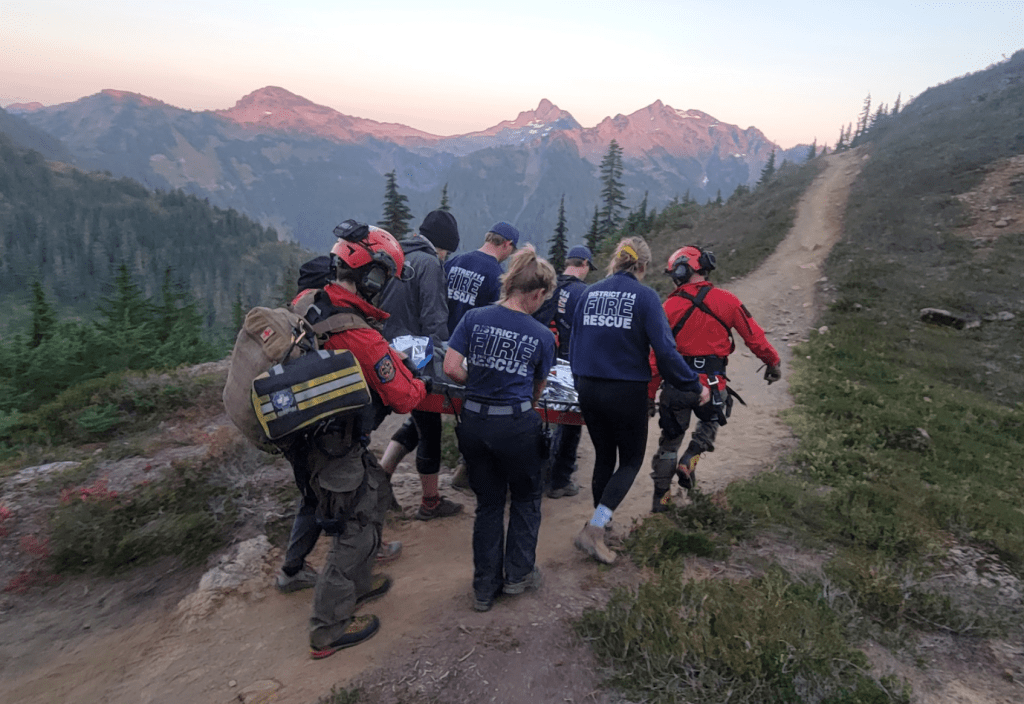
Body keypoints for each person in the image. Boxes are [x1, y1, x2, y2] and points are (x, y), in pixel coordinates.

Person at [276, 223, 428, 659]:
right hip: (334, 447)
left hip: (309, 440)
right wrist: (416, 377)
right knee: (355, 529)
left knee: (374, 489)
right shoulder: (358, 332)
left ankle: (359, 585)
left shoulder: (312, 300)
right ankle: (327, 629)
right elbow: (402, 396)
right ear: (373, 276)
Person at [568, 237, 710, 564]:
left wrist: (580, 385)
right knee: (630, 461)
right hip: (625, 390)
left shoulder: (589, 293)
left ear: (616, 261)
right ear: (642, 267)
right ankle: (594, 529)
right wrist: (694, 385)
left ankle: (602, 523)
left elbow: (574, 347)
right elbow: (665, 352)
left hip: (588, 387)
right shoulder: (645, 297)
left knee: (605, 456)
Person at [443, 247, 557, 612]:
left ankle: (483, 588)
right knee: (525, 498)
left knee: (488, 504)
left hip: (474, 423)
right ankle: (518, 575)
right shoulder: (542, 335)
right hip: (516, 423)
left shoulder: (475, 318)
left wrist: (475, 378)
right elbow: (537, 388)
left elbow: (449, 367)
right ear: (537, 294)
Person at [649, 245, 781, 511]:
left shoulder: (668, 307)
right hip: (712, 385)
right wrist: (772, 362)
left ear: (681, 272)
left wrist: (649, 394)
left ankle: (661, 501)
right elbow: (755, 338)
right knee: (710, 423)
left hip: (677, 387)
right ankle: (691, 460)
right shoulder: (728, 301)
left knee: (669, 443)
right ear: (704, 268)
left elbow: (655, 356)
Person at [377, 210, 464, 520]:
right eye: (446, 251)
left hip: (383, 353)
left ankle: (382, 478)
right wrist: (449, 356)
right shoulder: (429, 264)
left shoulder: (394, 255)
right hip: (415, 356)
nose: (445, 256)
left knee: (417, 421)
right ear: (442, 246)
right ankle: (430, 502)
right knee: (429, 427)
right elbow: (434, 320)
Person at [444, 220, 520, 492]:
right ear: (507, 245)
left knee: (426, 415)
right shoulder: (496, 276)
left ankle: (388, 465)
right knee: (479, 411)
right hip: (471, 352)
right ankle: (472, 469)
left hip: (443, 346)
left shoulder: (454, 262)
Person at [531, 244, 594, 498]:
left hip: (540, 362)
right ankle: (560, 479)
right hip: (571, 363)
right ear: (585, 265)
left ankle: (537, 466)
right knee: (571, 420)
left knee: (536, 414)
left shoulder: (548, 287)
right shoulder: (585, 292)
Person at [444, 221, 519, 335]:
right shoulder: (499, 277)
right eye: (512, 251)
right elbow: (495, 320)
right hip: (466, 344)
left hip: (439, 339)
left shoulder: (455, 261)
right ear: (507, 244)